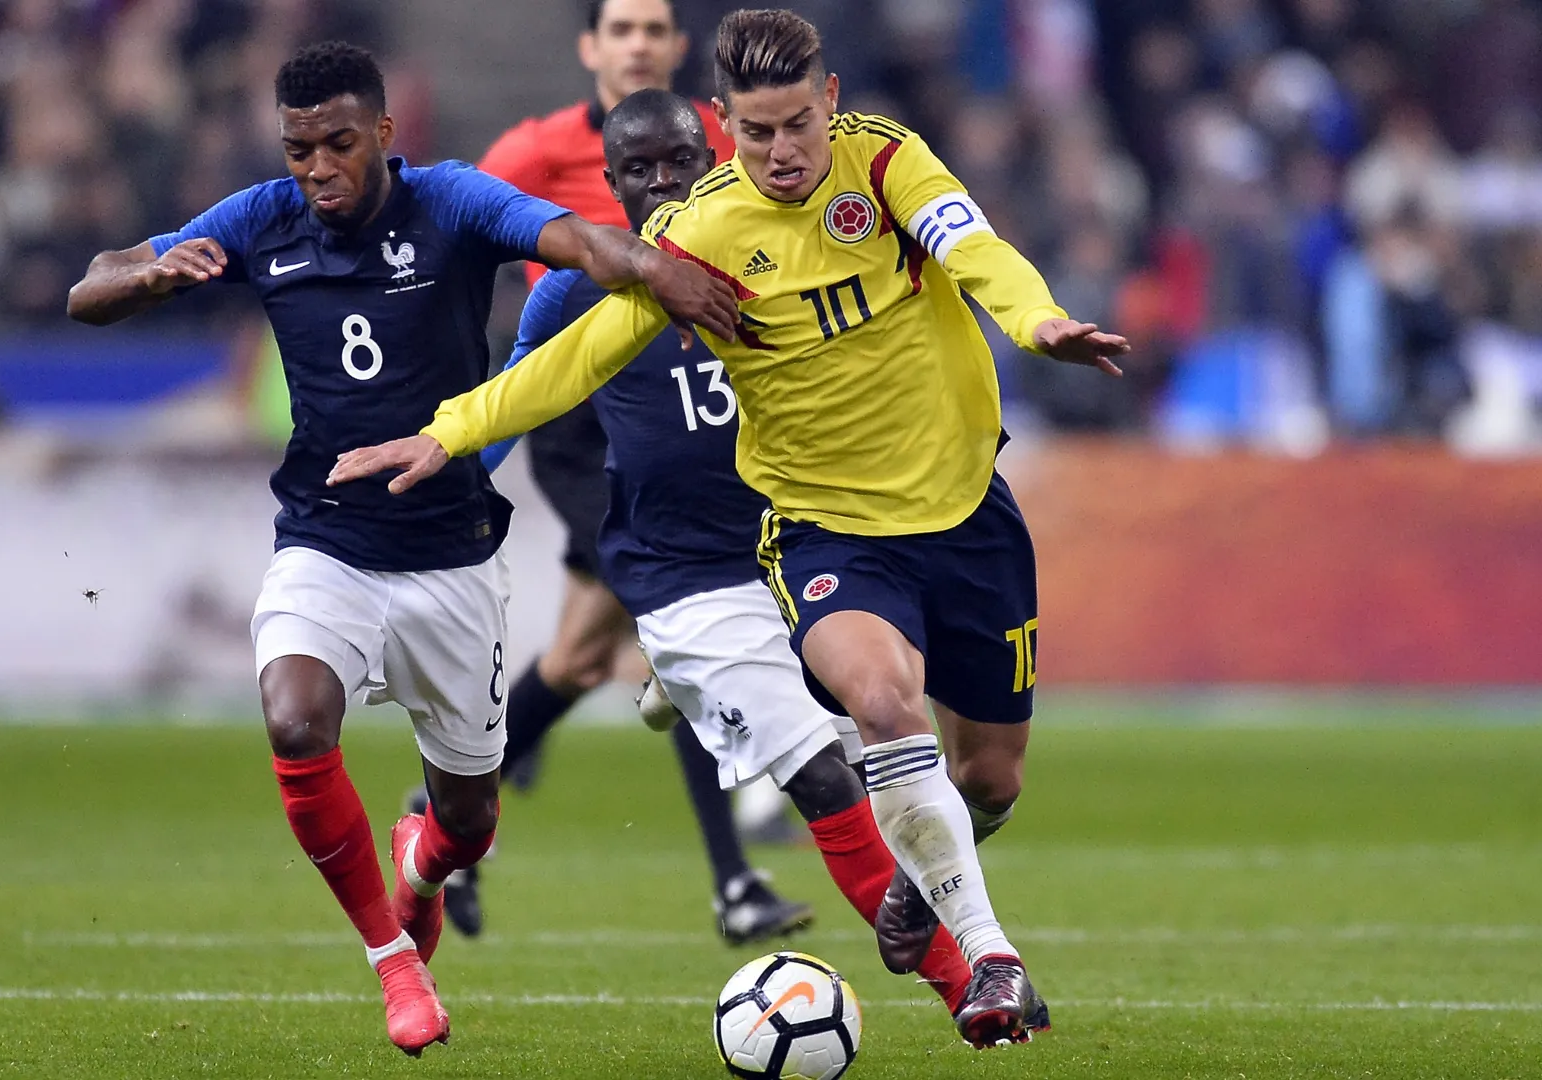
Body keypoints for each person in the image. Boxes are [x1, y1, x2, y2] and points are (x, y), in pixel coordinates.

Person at [328, 10, 1129, 1049]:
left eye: (797, 125)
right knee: (883, 708)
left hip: (967, 516)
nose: (781, 152)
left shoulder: (888, 164)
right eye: (757, 133)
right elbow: (574, 359)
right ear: (727, 124)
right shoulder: (695, 236)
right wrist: (447, 434)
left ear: (829, 100)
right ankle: (988, 960)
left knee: (989, 781)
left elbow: (973, 250)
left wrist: (1036, 321)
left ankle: (925, 877)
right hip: (822, 532)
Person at [65, 42, 735, 1057]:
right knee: (295, 721)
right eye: (299, 150)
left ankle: (423, 866)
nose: (318, 169)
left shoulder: (453, 202)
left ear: (384, 133)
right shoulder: (260, 219)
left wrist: (657, 269)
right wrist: (147, 277)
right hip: (325, 541)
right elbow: (91, 287)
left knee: (469, 820)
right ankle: (394, 961)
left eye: (338, 144)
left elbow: (573, 239)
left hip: (452, 557)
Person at [485, 85, 990, 1020]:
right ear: (612, 184)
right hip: (683, 582)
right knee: (822, 777)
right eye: (639, 170)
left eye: (681, 162)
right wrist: (457, 480)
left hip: (794, 552)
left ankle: (442, 835)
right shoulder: (575, 290)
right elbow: (516, 396)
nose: (663, 182)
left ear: (712, 159)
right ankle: (971, 990)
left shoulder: (769, 255)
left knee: (898, 760)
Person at [427, 0, 804, 947]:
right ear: (590, 47)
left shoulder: (720, 138)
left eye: (653, 28)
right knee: (680, 619)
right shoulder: (537, 148)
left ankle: (442, 812)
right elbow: (461, 227)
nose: (638, 43)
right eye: (621, 28)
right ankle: (735, 880)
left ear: (677, 48)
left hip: (690, 396)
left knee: (583, 656)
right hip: (581, 409)